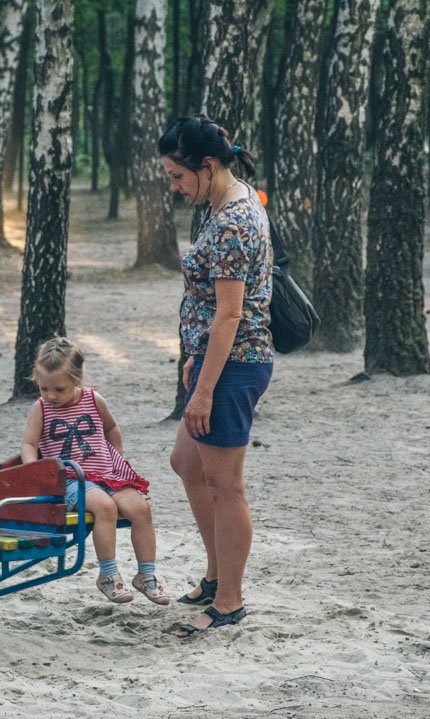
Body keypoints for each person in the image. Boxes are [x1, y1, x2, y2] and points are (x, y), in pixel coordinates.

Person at [158, 116, 274, 639]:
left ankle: (229, 601)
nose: (176, 187)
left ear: (207, 167)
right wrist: (195, 359)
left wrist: (204, 387)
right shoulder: (221, 204)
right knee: (186, 462)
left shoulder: (233, 222)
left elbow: (231, 314)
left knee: (226, 485)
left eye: (178, 176)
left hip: (234, 365)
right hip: (214, 360)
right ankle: (214, 574)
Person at [20, 337, 169, 606]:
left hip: (107, 474)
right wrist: (36, 470)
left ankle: (146, 574)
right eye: (44, 388)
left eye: (59, 389)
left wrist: (116, 457)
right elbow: (29, 444)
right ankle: (108, 575)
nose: (51, 395)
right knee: (105, 508)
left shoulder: (93, 399)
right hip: (71, 480)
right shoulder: (40, 408)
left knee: (140, 508)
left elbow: (112, 428)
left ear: (78, 379)